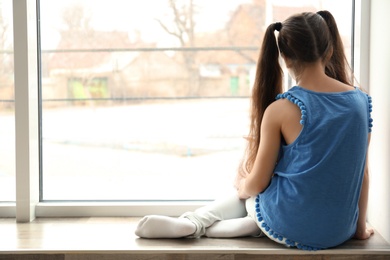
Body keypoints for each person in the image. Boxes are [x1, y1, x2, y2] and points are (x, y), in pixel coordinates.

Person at [135, 10, 374, 250]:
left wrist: (242, 186)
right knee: (266, 197)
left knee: (248, 193)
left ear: (285, 58)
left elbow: (258, 183)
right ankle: (253, 225)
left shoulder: (282, 109)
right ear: (329, 50)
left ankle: (196, 223)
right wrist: (360, 229)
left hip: (290, 224)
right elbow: (362, 175)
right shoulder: (361, 102)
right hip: (338, 230)